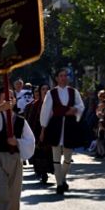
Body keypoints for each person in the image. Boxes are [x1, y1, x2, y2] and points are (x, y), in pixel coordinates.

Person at [39, 68, 85, 196]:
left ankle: (62, 178)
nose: (63, 78)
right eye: (61, 75)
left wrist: (74, 110)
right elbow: (46, 111)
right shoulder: (51, 93)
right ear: (57, 78)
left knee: (68, 157)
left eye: (65, 75)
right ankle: (59, 184)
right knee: (56, 157)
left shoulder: (73, 92)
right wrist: (43, 129)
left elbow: (81, 106)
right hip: (56, 125)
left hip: (70, 125)